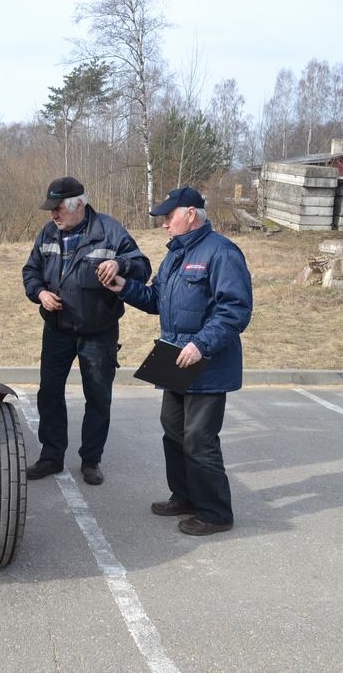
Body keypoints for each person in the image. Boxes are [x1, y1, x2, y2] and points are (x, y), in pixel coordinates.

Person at [104, 186, 252, 535]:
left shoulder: (222, 253)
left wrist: (202, 345)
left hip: (206, 361)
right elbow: (156, 298)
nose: (163, 224)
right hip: (174, 357)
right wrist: (123, 286)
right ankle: (184, 495)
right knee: (173, 431)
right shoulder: (174, 255)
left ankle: (215, 513)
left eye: (168, 217)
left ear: (190, 214)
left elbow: (235, 309)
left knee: (199, 439)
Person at [22, 177, 152, 485]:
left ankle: (91, 460)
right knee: (50, 393)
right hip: (57, 329)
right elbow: (30, 271)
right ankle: (51, 456)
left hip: (98, 330)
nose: (53, 216)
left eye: (58, 210)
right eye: (51, 210)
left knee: (97, 396)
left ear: (78, 205)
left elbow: (143, 267)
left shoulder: (109, 231)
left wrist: (120, 264)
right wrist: (39, 293)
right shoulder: (48, 233)